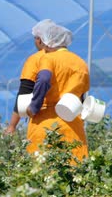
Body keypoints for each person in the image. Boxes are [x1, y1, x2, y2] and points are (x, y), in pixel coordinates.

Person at [26, 23, 90, 162]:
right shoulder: (80, 63)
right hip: (73, 123)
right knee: (74, 165)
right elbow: (83, 96)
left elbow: (43, 79)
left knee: (42, 170)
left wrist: (33, 107)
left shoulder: (49, 59)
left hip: (46, 122)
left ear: (46, 41)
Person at [4, 19, 55, 135]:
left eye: (35, 38)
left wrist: (12, 126)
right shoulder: (72, 60)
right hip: (69, 124)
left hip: (43, 124)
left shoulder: (35, 60)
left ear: (40, 40)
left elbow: (24, 94)